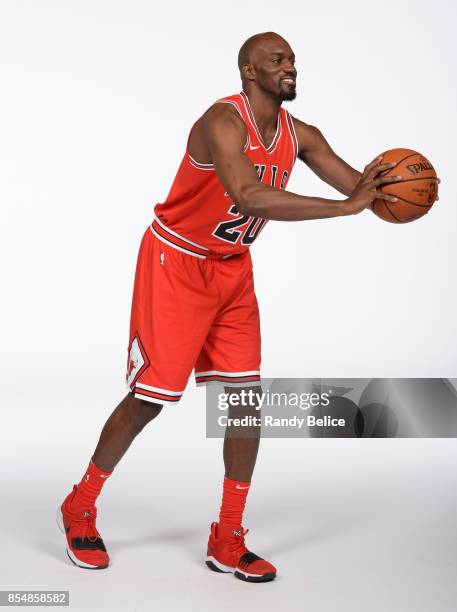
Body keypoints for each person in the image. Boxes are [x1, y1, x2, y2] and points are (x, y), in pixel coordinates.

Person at [57, 31, 401, 583]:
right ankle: (79, 505)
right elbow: (248, 196)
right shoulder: (222, 122)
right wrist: (345, 209)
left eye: (291, 58)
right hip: (176, 261)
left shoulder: (301, 134)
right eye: (276, 59)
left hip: (232, 269)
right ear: (249, 71)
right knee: (152, 398)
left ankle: (228, 535)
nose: (289, 66)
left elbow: (359, 185)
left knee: (244, 401)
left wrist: (397, 186)